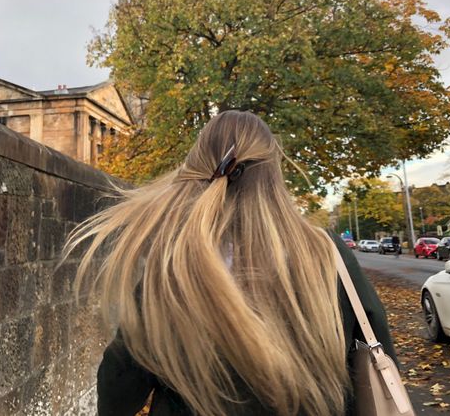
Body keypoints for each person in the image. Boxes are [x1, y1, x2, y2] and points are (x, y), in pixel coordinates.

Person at [62, 110, 397, 416]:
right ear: (272, 174)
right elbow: (376, 346)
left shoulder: (174, 265)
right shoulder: (327, 253)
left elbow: (120, 381)